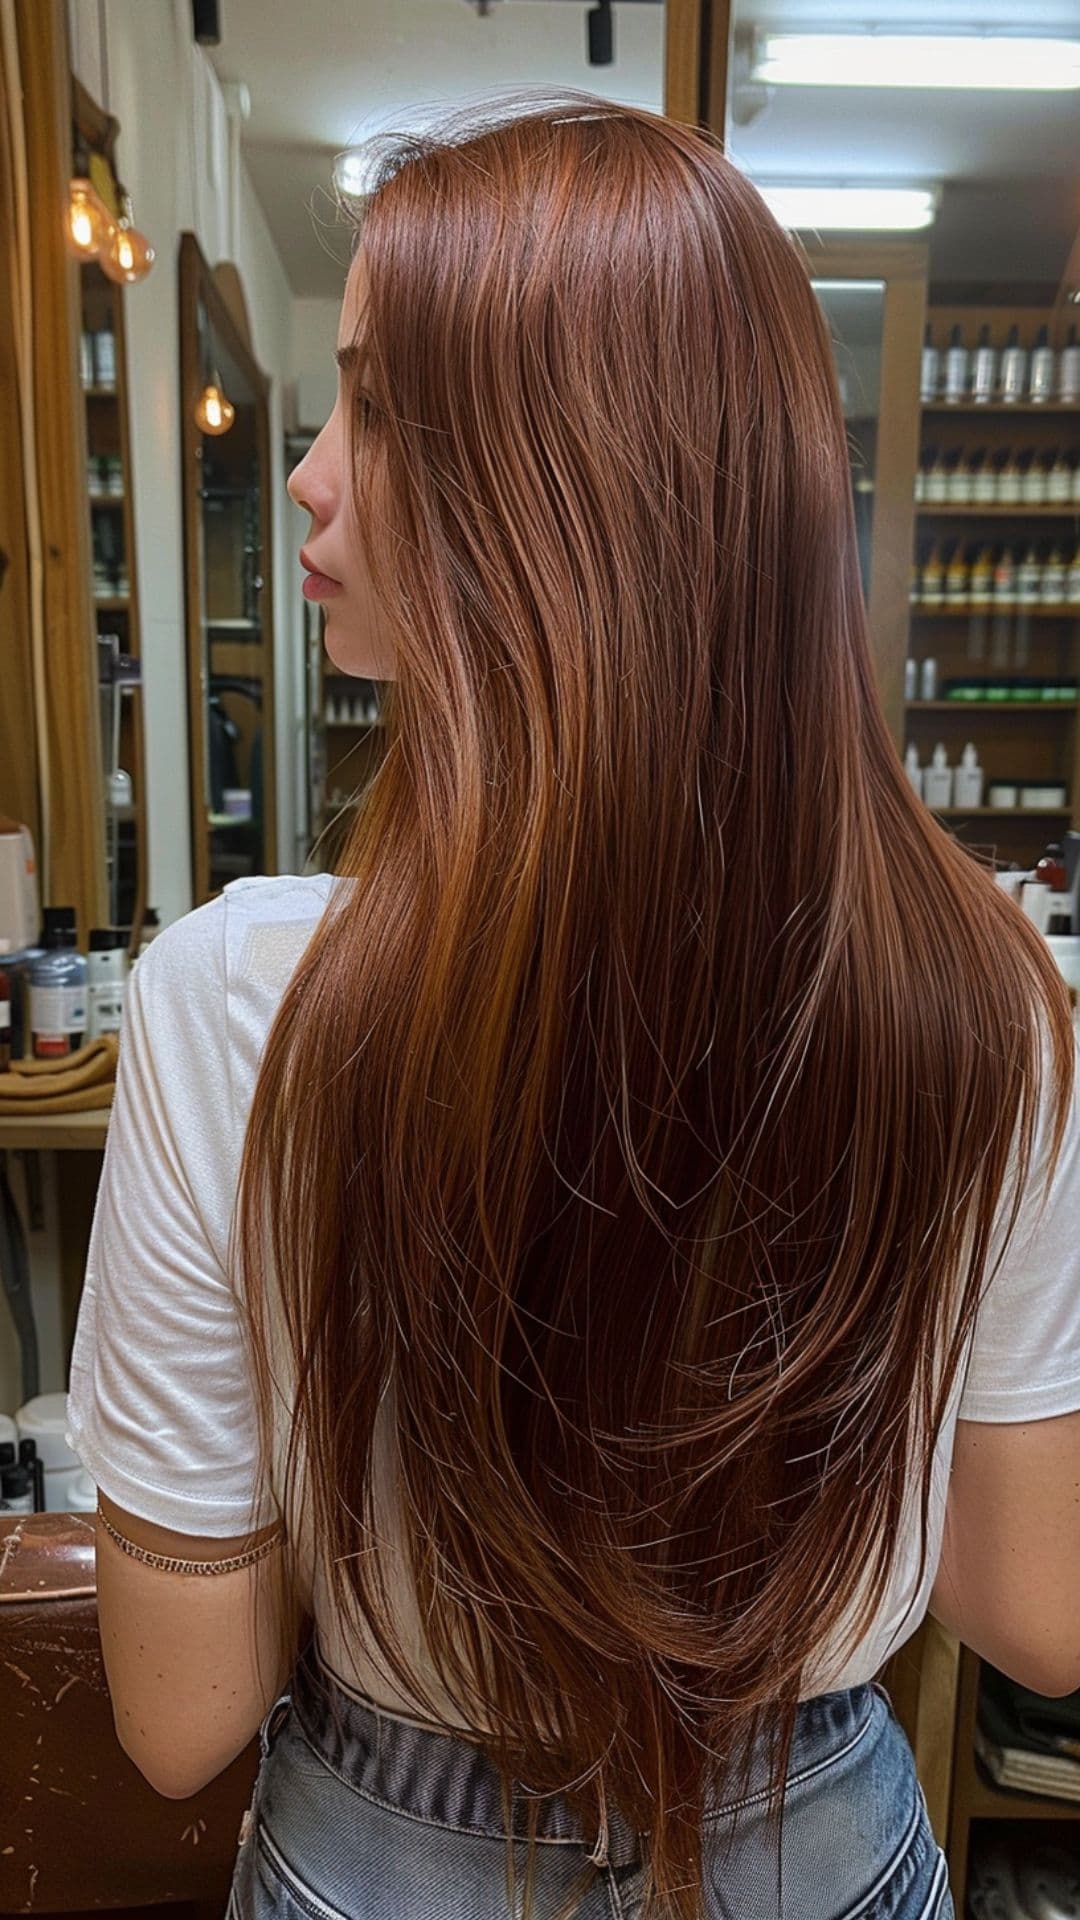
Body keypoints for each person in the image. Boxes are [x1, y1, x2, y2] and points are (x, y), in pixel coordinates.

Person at [66, 94, 1080, 1920]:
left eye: (371, 400)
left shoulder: (236, 996)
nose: (306, 472)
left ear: (561, 489)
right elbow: (1039, 1612)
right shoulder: (986, 999)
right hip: (822, 1849)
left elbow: (180, 1713)